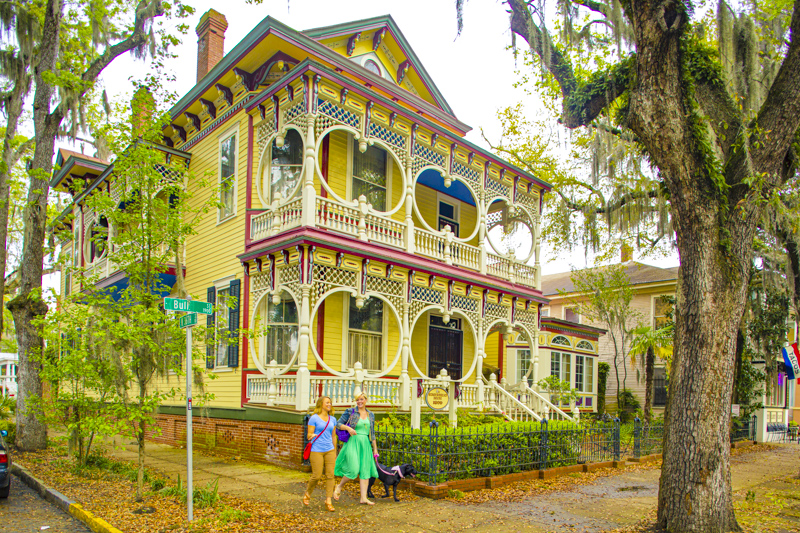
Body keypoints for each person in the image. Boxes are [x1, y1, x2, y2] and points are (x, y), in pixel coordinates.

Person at [333, 392, 379, 505]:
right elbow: (338, 424)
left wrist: (375, 449)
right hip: (353, 442)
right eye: (357, 399)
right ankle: (339, 486)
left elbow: (372, 433)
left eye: (362, 399)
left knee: (365, 470)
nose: (359, 401)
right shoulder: (350, 412)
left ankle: (363, 497)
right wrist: (348, 429)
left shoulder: (371, 415)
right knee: (353, 469)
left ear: (366, 400)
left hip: (365, 445)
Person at [304, 396, 337, 511]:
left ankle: (328, 500)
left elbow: (333, 436)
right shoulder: (314, 418)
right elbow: (309, 435)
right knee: (316, 475)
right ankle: (308, 492)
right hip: (317, 450)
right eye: (327, 402)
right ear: (321, 404)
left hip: (329, 449)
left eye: (330, 403)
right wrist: (311, 436)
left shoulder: (332, 419)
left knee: (330, 475)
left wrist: (334, 451)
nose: (329, 404)